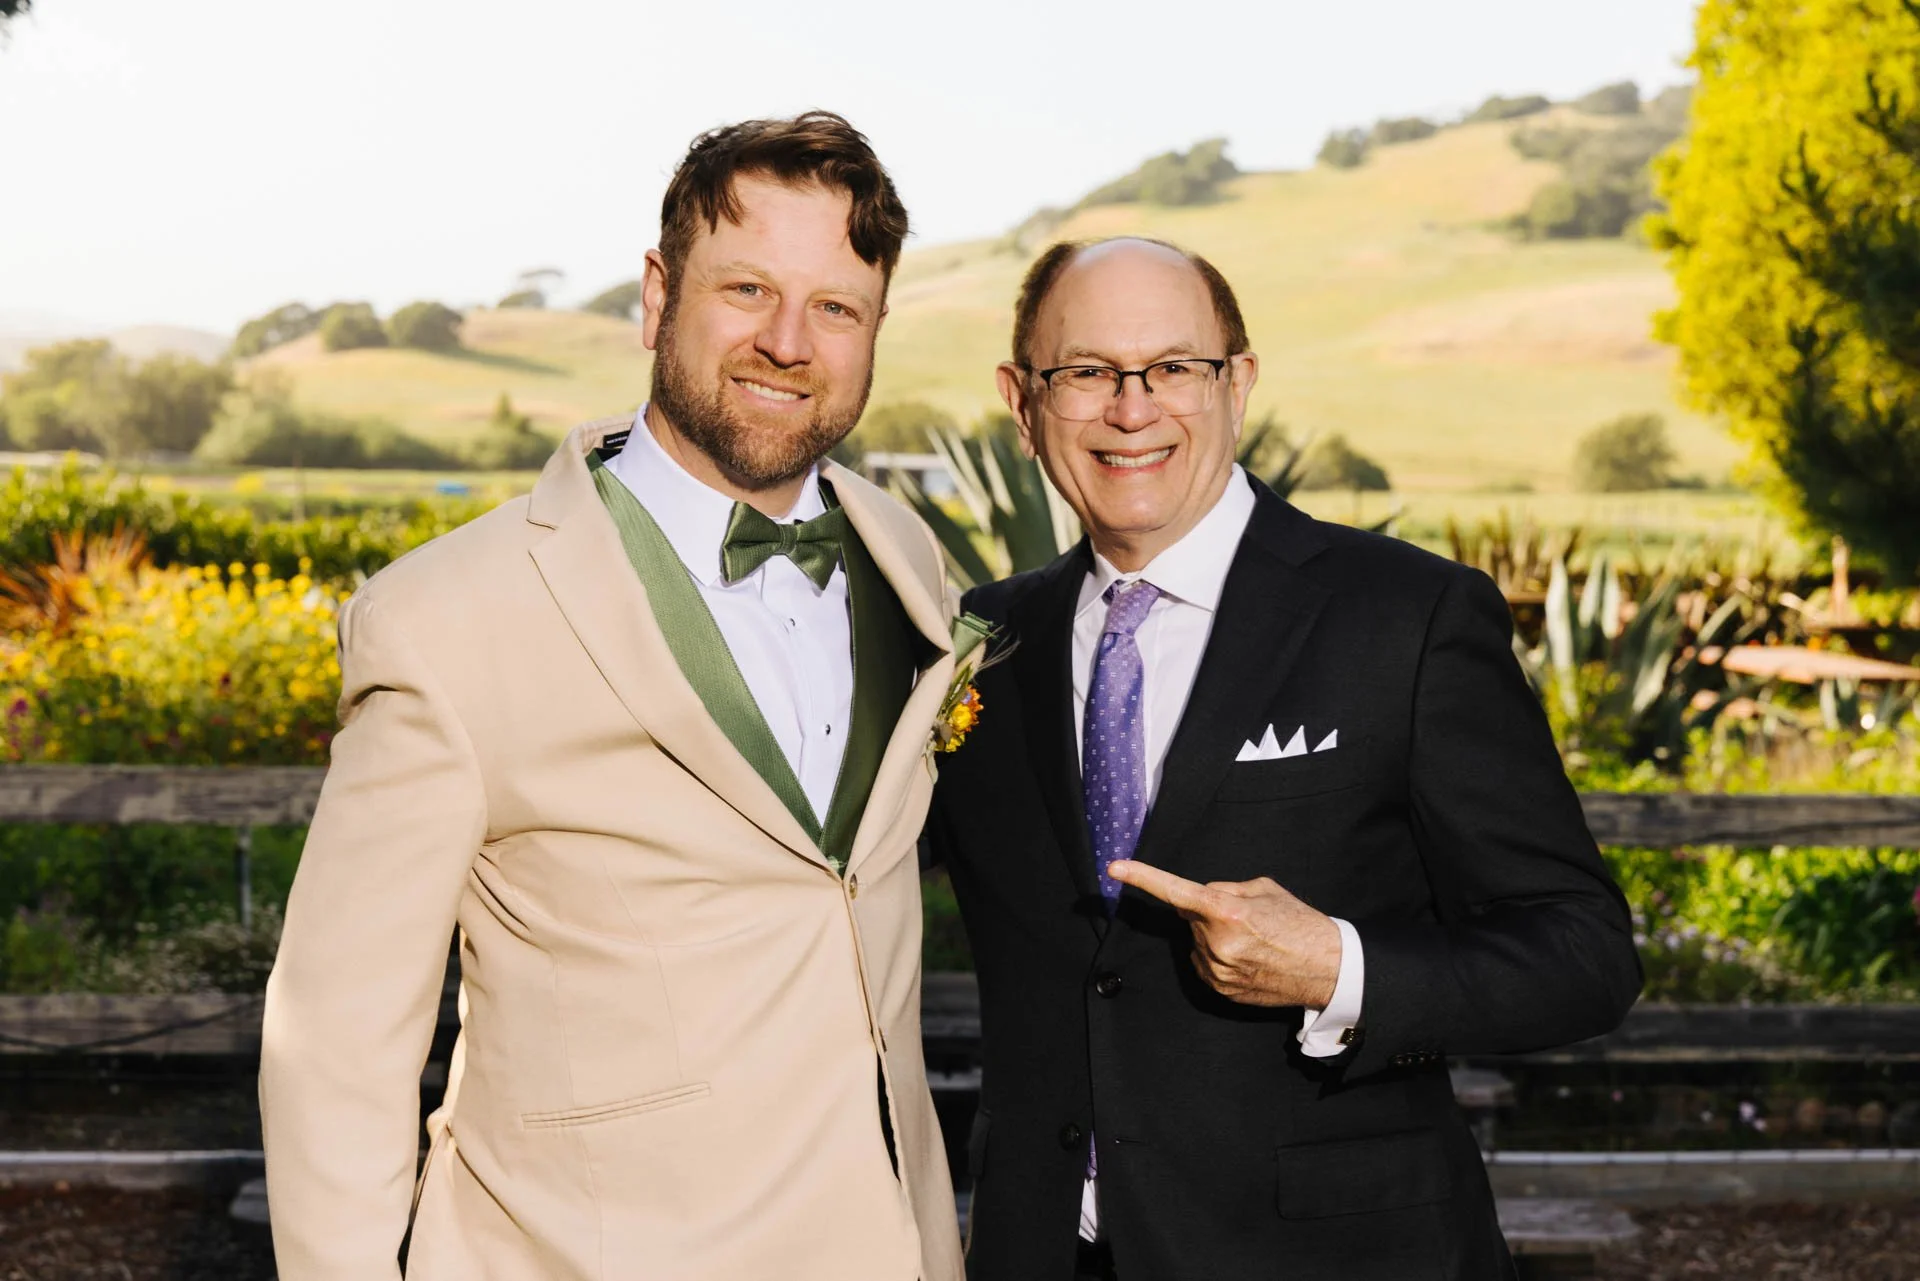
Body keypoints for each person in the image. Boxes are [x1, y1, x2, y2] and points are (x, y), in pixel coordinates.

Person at [261, 112, 965, 1281]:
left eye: (835, 307)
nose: (789, 342)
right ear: (657, 295)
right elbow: (337, 1041)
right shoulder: (444, 620)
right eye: (746, 289)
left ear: (874, 330)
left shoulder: (909, 560)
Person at [924, 236, 1642, 1281]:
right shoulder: (978, 646)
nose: (1134, 408)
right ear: (1022, 399)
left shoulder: (1408, 618)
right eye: (1086, 372)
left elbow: (1584, 956)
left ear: (1239, 383)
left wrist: (1340, 969)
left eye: (1176, 367)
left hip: (1339, 1253)